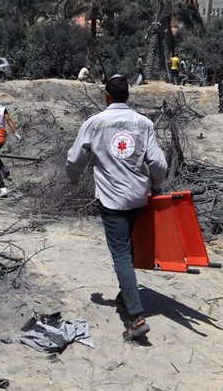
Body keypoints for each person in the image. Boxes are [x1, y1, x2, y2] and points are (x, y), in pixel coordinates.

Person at [66, 74, 168, 342]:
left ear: (107, 96)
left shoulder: (95, 122)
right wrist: (156, 187)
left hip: (112, 200)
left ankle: (135, 317)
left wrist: (74, 177)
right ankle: (127, 293)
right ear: (127, 96)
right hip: (138, 197)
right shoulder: (143, 123)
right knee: (130, 247)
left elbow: (76, 157)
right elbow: (157, 162)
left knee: (121, 253)